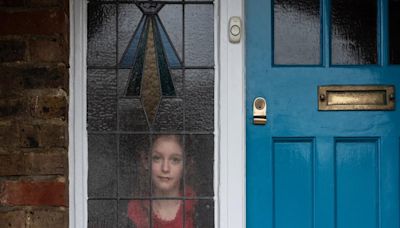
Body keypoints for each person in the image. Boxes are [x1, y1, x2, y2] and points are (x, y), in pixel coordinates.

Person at [127, 135, 196, 228]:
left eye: (175, 160)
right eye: (157, 158)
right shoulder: (135, 210)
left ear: (186, 165)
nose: (165, 168)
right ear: (146, 161)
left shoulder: (196, 207)